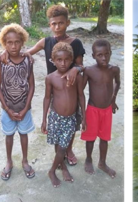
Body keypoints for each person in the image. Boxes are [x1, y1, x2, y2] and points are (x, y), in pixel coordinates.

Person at [1, 4, 86, 166]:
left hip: (71, 88)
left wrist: (76, 69)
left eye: (61, 23)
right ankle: (59, 150)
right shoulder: (46, 41)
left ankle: (68, 149)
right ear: (49, 25)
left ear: (67, 23)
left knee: (72, 119)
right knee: (57, 119)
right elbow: (24, 53)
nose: (57, 27)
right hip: (53, 88)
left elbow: (81, 65)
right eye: (53, 23)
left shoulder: (75, 43)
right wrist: (5, 51)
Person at [41, 42, 86, 188]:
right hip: (55, 117)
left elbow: (81, 96)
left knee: (62, 147)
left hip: (70, 118)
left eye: (67, 59)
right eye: (59, 60)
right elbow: (47, 98)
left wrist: (84, 117)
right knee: (58, 145)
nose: (63, 63)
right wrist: (43, 120)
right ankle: (63, 167)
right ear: (53, 60)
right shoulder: (50, 78)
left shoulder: (76, 77)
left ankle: (52, 171)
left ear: (71, 60)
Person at [0, 23, 35, 181]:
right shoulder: (2, 62)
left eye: (17, 42)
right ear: (4, 43)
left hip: (24, 109)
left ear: (22, 42)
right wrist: (7, 109)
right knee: (9, 136)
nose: (13, 46)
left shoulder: (28, 61)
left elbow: (32, 84)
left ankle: (25, 160)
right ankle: (9, 161)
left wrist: (26, 107)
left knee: (23, 134)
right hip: (7, 108)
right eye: (9, 42)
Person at [81, 39, 120, 178]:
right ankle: (88, 159)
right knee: (90, 138)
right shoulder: (89, 71)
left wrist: (113, 99)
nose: (104, 58)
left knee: (104, 138)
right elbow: (81, 92)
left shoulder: (114, 69)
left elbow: (118, 83)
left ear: (110, 53)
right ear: (93, 56)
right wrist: (83, 115)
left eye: (107, 54)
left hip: (107, 110)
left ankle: (102, 163)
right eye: (99, 55)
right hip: (92, 109)